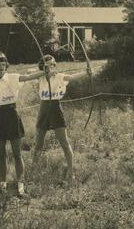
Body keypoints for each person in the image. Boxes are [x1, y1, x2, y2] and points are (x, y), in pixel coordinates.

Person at [0, 52, 46, 197]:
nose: (2, 66)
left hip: (11, 114)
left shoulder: (12, 77)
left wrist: (44, 71)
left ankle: (21, 185)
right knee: (1, 154)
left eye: (3, 64)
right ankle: (2, 184)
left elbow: (27, 77)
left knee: (17, 153)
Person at [31, 54, 91, 185]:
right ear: (43, 66)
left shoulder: (59, 76)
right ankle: (33, 171)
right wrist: (43, 71)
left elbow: (72, 77)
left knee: (64, 142)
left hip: (55, 109)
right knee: (38, 144)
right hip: (43, 109)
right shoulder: (39, 77)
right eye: (47, 65)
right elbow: (28, 74)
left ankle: (71, 171)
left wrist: (86, 72)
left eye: (53, 64)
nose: (51, 67)